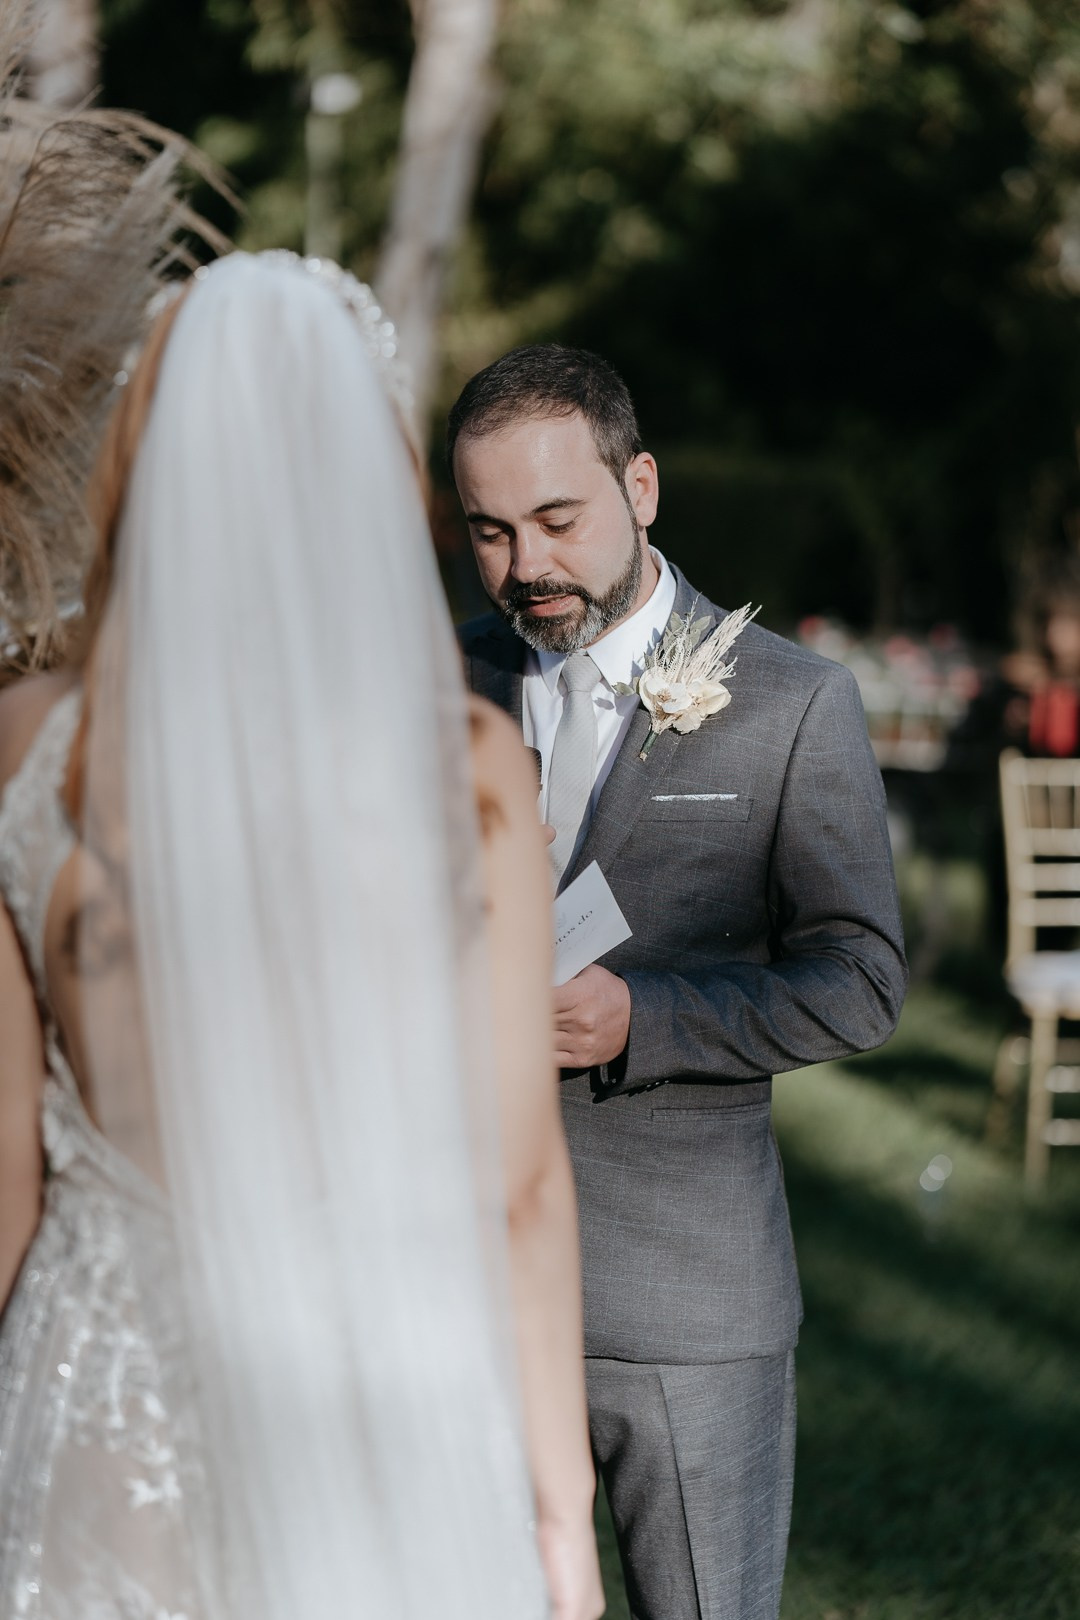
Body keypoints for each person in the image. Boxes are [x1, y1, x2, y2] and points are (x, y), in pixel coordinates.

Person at [0, 254, 603, 1620]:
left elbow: (7, 1178)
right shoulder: (465, 767)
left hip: (107, 1394)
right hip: (376, 1399)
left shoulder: (32, 744)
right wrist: (559, 1513)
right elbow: (519, 1189)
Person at [452, 344, 909, 1620]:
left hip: (686, 1302)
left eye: (556, 518)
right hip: (462, 1281)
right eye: (488, 531)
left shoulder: (793, 705)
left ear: (641, 487)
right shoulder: (438, 686)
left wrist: (643, 1016)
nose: (525, 567)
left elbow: (862, 977)